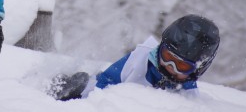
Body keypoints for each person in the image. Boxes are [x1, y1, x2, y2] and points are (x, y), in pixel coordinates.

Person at [48, 14, 220, 100]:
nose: (170, 67)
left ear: (197, 69)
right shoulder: (142, 59)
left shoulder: (187, 93)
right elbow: (105, 83)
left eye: (181, 67)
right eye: (167, 57)